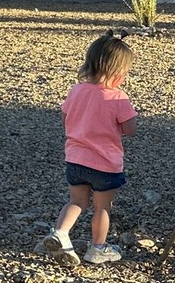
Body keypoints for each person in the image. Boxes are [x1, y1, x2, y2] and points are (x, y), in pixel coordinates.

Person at [43, 33, 137, 266]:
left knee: (76, 202)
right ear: (118, 73)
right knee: (102, 207)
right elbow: (129, 129)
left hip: (75, 160)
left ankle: (61, 233)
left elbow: (66, 117)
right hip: (105, 164)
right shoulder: (117, 98)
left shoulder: (77, 90)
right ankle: (97, 248)